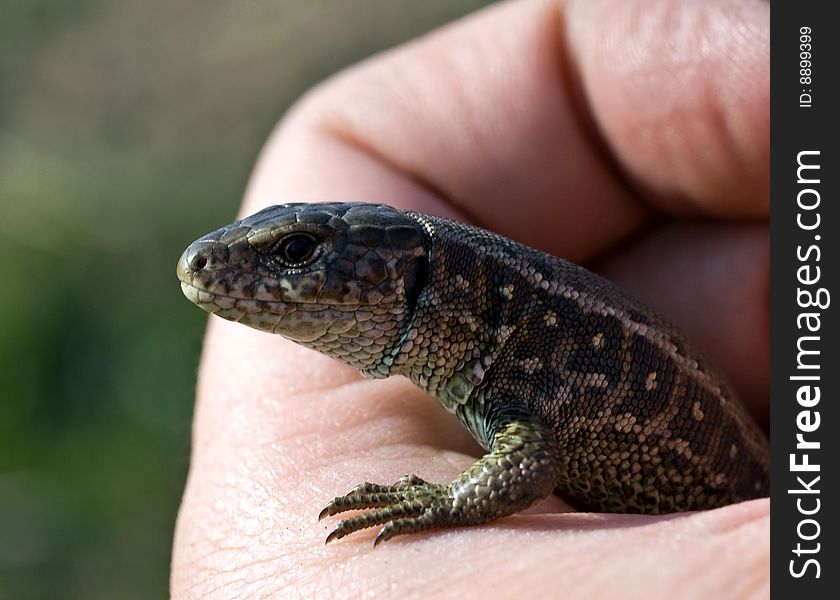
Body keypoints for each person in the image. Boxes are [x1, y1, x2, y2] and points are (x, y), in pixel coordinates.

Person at [171, 0, 769, 596]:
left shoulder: (508, 370)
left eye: (298, 251)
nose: (205, 266)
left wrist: (445, 500)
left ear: (407, 272)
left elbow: (530, 462)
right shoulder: (495, 356)